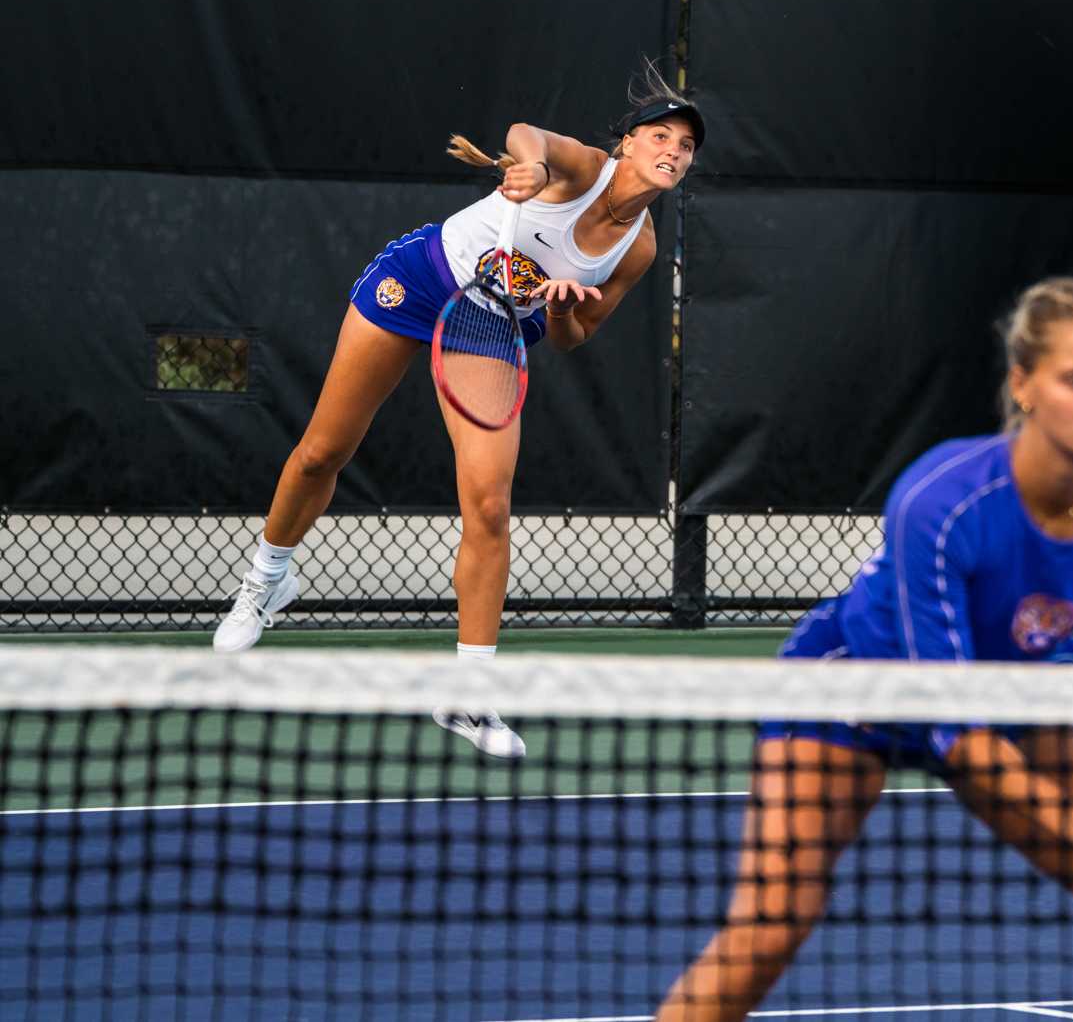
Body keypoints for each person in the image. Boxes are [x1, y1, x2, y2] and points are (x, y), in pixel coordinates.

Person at [656, 278, 1073, 1022]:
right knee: (769, 927)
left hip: (1014, 690)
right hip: (854, 691)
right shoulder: (940, 498)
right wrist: (1072, 824)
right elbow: (957, 730)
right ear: (1024, 385)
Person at [209, 64, 705, 760]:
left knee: (491, 504)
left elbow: (575, 335)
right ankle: (265, 580)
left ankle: (467, 692)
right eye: (662, 135)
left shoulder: (642, 246)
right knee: (324, 450)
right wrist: (530, 167)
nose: (674, 151)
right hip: (423, 276)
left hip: (492, 325)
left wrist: (563, 312)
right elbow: (527, 134)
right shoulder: (583, 167)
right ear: (627, 143)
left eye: (686, 146)